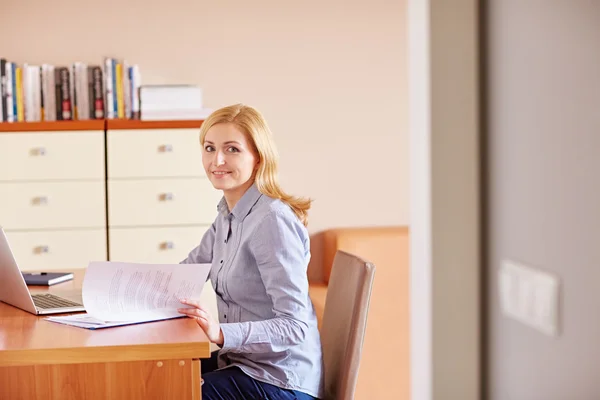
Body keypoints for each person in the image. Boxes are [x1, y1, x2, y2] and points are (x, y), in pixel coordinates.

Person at [178, 104, 324, 399]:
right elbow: (186, 273)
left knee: (168, 388)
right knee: (158, 372)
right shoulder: (228, 215)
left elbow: (295, 326)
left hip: (280, 380)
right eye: (209, 148)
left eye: (232, 149)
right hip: (240, 364)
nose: (217, 160)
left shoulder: (272, 220)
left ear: (258, 158)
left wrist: (221, 333)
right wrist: (126, 297)